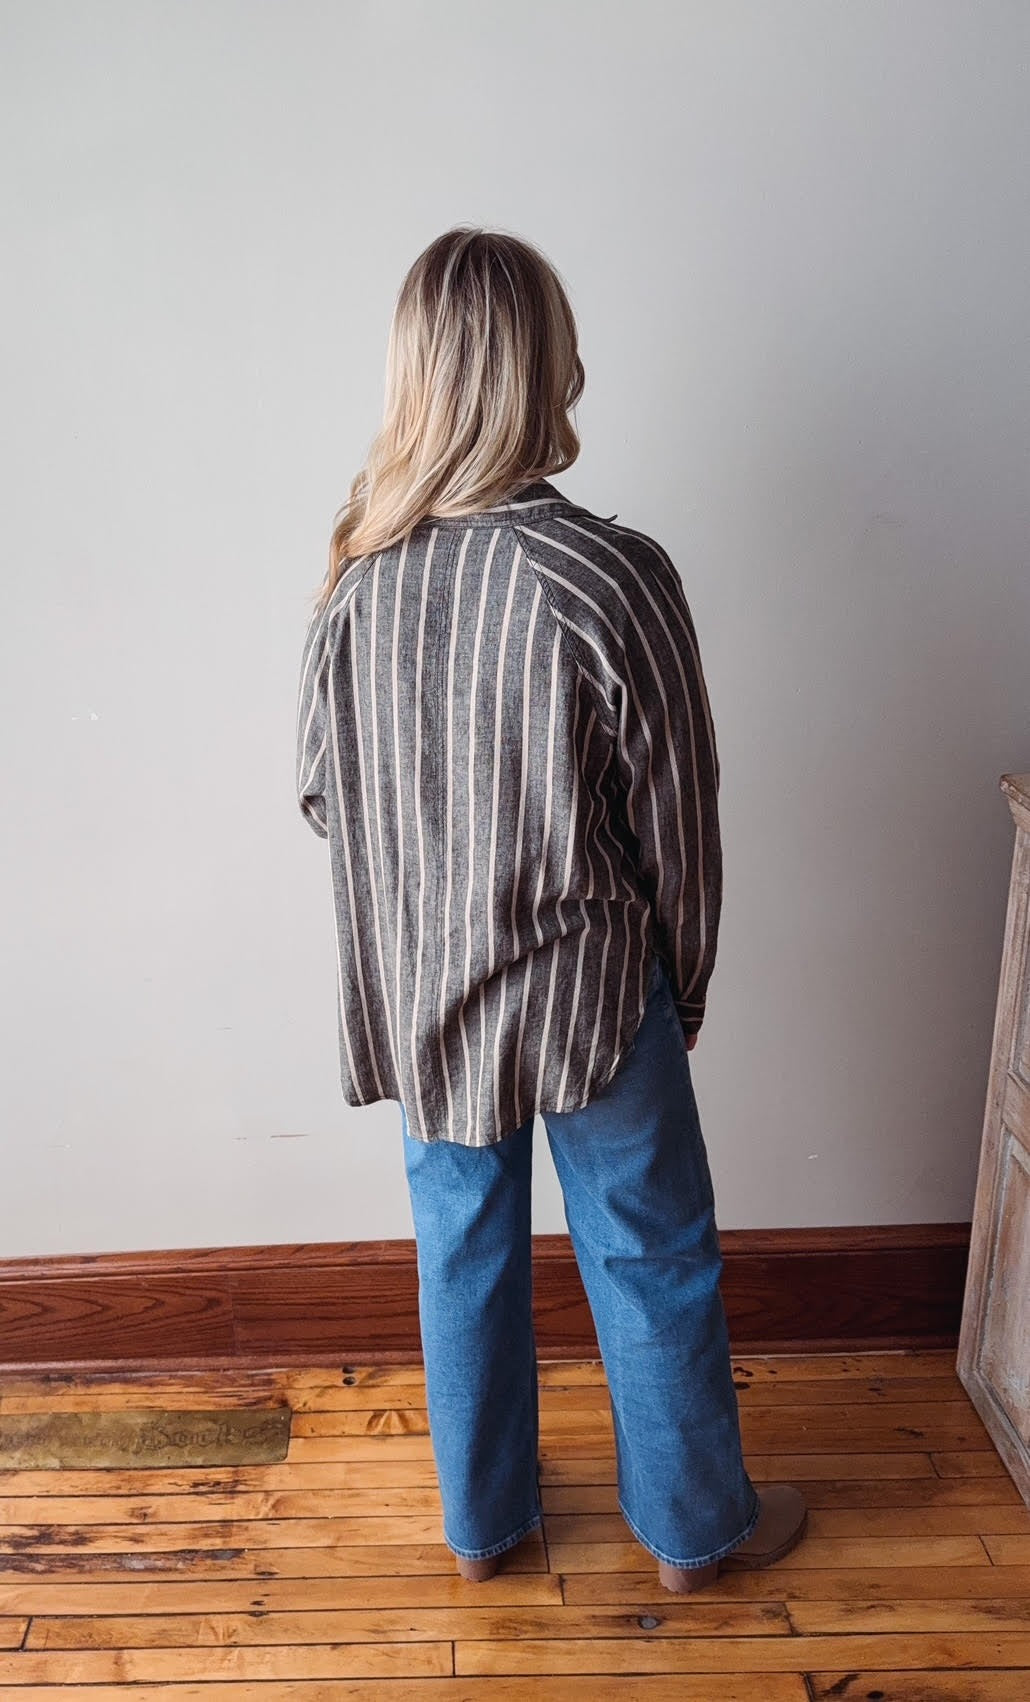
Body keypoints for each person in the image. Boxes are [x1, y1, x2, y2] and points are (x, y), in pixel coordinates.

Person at [295, 225, 807, 1591]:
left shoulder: (355, 581)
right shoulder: (607, 574)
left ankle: (483, 1528)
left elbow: (322, 800)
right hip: (588, 985)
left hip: (428, 996)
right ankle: (696, 1533)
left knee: (459, 1250)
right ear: (544, 366)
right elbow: (676, 816)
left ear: (416, 376)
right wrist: (682, 979)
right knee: (648, 1250)